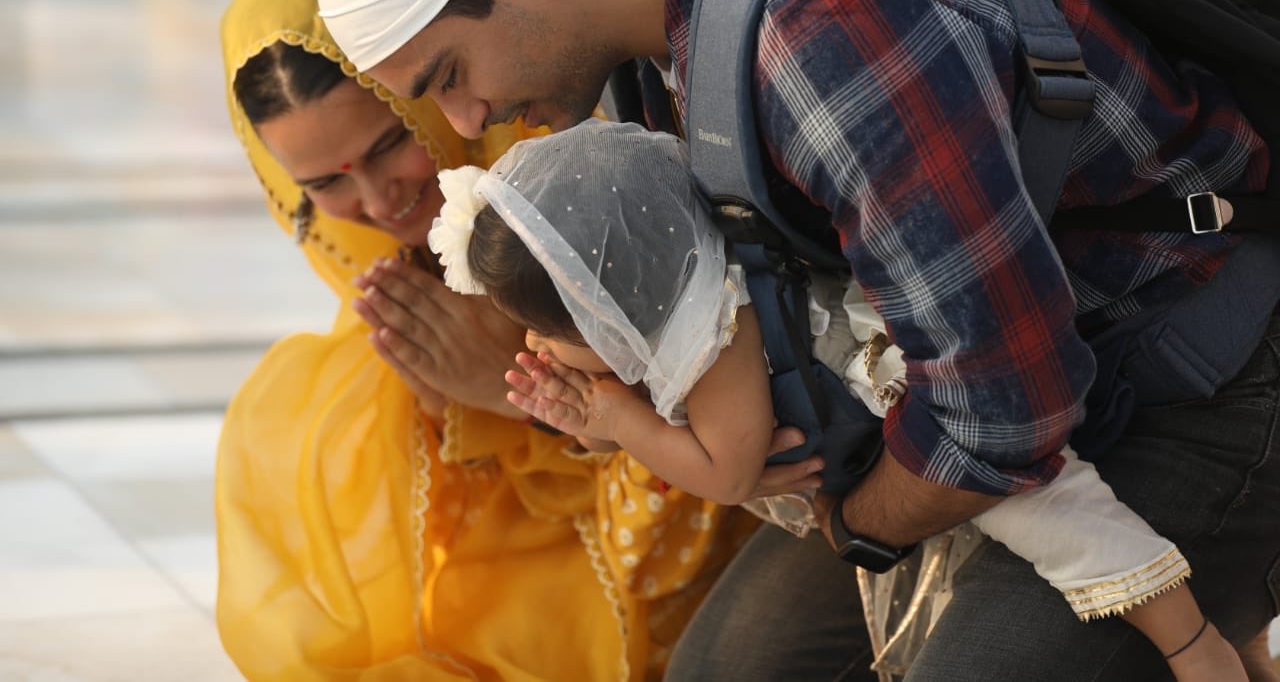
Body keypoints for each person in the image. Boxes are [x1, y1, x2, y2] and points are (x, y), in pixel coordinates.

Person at [303, 0, 1280, 679]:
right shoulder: (640, 42)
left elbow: (1002, 416)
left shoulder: (824, 29)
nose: (468, 121)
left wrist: (855, 524)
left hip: (1197, 370)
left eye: (452, 75)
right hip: (1001, 375)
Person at [430, 117, 1244, 680]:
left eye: (550, 331)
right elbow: (667, 428)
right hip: (875, 448)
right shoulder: (684, 282)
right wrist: (596, 421)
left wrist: (614, 418)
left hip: (922, 409)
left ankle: (1197, 643)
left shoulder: (714, 346)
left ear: (613, 305)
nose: (535, 350)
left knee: (1058, 516)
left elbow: (725, 467)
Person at [215, 0, 759, 681]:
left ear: (424, 91)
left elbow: (691, 506)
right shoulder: (389, 281)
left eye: (388, 145)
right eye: (323, 185)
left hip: (637, 570)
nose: (379, 205)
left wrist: (512, 396)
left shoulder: (576, 195)